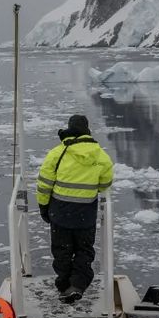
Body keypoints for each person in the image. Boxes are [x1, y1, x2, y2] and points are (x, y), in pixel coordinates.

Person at [35, 114, 115, 303]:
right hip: (85, 214)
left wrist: (43, 207)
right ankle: (77, 284)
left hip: (60, 212)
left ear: (70, 129)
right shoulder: (101, 155)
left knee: (62, 250)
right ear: (87, 130)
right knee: (84, 250)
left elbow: (45, 183)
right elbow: (105, 184)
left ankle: (64, 285)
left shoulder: (58, 152)